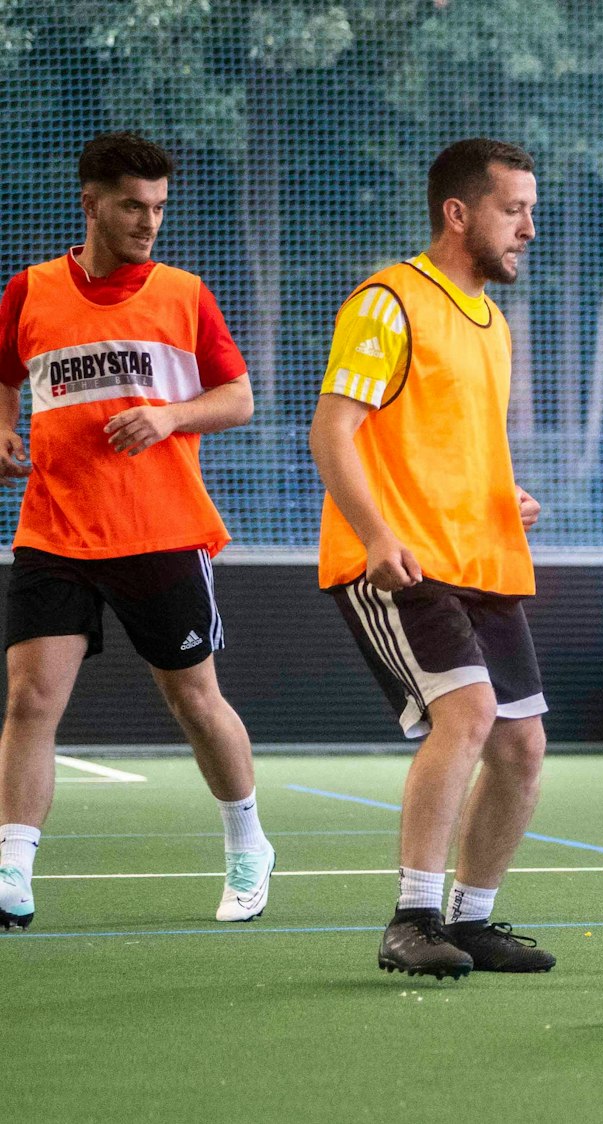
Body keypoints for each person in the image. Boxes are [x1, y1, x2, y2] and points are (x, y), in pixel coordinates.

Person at [0, 133, 271, 931]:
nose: (149, 221)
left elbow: (240, 400)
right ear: (90, 203)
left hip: (161, 531)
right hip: (54, 529)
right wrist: (4, 430)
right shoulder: (28, 293)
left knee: (194, 700)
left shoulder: (185, 294)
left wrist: (169, 416)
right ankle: (12, 868)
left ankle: (249, 845)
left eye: (158, 207)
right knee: (30, 698)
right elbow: (4, 375)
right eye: (132, 206)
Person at [309, 138, 553, 979]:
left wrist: (502, 493)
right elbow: (332, 430)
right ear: (459, 213)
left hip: (480, 558)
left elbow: (451, 444)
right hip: (400, 562)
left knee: (523, 746)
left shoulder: (494, 325)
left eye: (530, 209)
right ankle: (411, 918)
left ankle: (472, 921)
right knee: (471, 713)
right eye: (513, 209)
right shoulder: (389, 303)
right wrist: (378, 536)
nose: (529, 227)